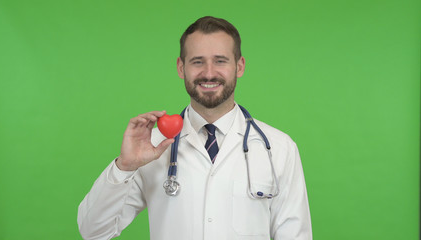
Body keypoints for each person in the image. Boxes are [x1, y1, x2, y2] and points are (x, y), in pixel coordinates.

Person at [77, 16, 312, 240]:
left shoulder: (279, 149)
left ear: (239, 66)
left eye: (220, 61)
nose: (209, 73)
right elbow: (93, 232)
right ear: (181, 68)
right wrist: (125, 166)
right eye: (197, 62)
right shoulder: (152, 147)